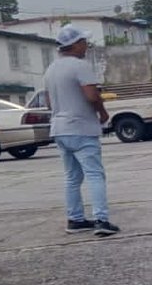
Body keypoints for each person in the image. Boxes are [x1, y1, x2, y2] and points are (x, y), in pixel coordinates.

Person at [43, 25, 119, 237]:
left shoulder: (51, 69)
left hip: (59, 128)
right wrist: (102, 113)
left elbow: (49, 102)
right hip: (81, 128)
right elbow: (92, 96)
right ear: (75, 44)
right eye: (84, 41)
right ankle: (101, 219)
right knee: (95, 174)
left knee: (72, 177)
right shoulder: (80, 66)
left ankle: (75, 219)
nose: (86, 45)